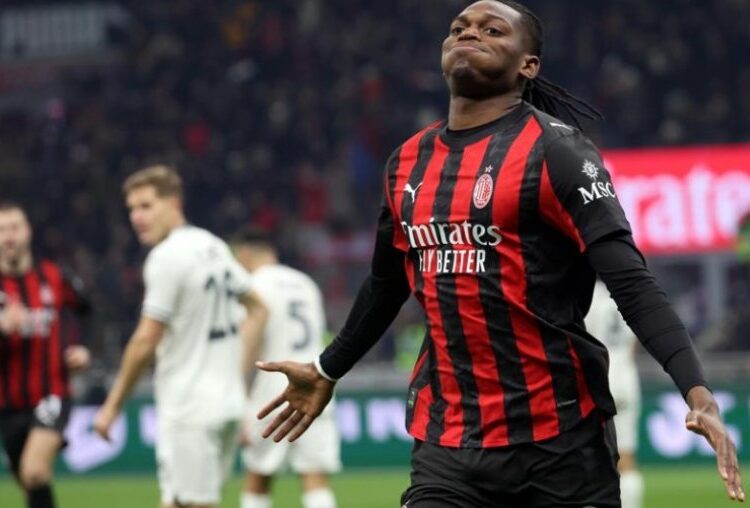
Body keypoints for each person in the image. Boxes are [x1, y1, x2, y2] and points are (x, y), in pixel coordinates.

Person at [253, 1, 745, 507]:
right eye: (458, 28)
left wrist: (697, 392)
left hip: (559, 437)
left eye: (492, 30)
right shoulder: (408, 162)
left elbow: (632, 283)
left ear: (527, 65)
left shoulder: (559, 152)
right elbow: (387, 283)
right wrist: (328, 368)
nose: (469, 34)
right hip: (449, 440)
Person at [93, 166, 267, 508]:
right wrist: (236, 373)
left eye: (146, 205)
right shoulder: (212, 245)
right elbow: (258, 308)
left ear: (173, 203)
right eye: (132, 209)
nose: (136, 217)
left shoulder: (166, 257)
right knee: (177, 501)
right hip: (226, 404)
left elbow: (146, 338)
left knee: (194, 503)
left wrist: (112, 407)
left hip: (189, 408)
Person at [229, 227, 340, 508]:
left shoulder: (251, 286)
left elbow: (249, 343)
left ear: (244, 254)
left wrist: (236, 392)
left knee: (258, 478)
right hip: (314, 387)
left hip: (269, 393)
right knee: (315, 479)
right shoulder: (305, 283)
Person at [0, 201, 91, 508]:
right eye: (2, 230)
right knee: (30, 483)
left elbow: (87, 311)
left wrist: (82, 348)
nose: (8, 236)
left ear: (27, 231)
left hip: (52, 392)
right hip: (7, 403)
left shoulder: (53, 276)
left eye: (14, 228)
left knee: (35, 471)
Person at [585, 280, 643, 508]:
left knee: (588, 457)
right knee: (626, 458)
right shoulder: (628, 291)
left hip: (598, 381)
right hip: (627, 380)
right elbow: (633, 344)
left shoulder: (589, 294)